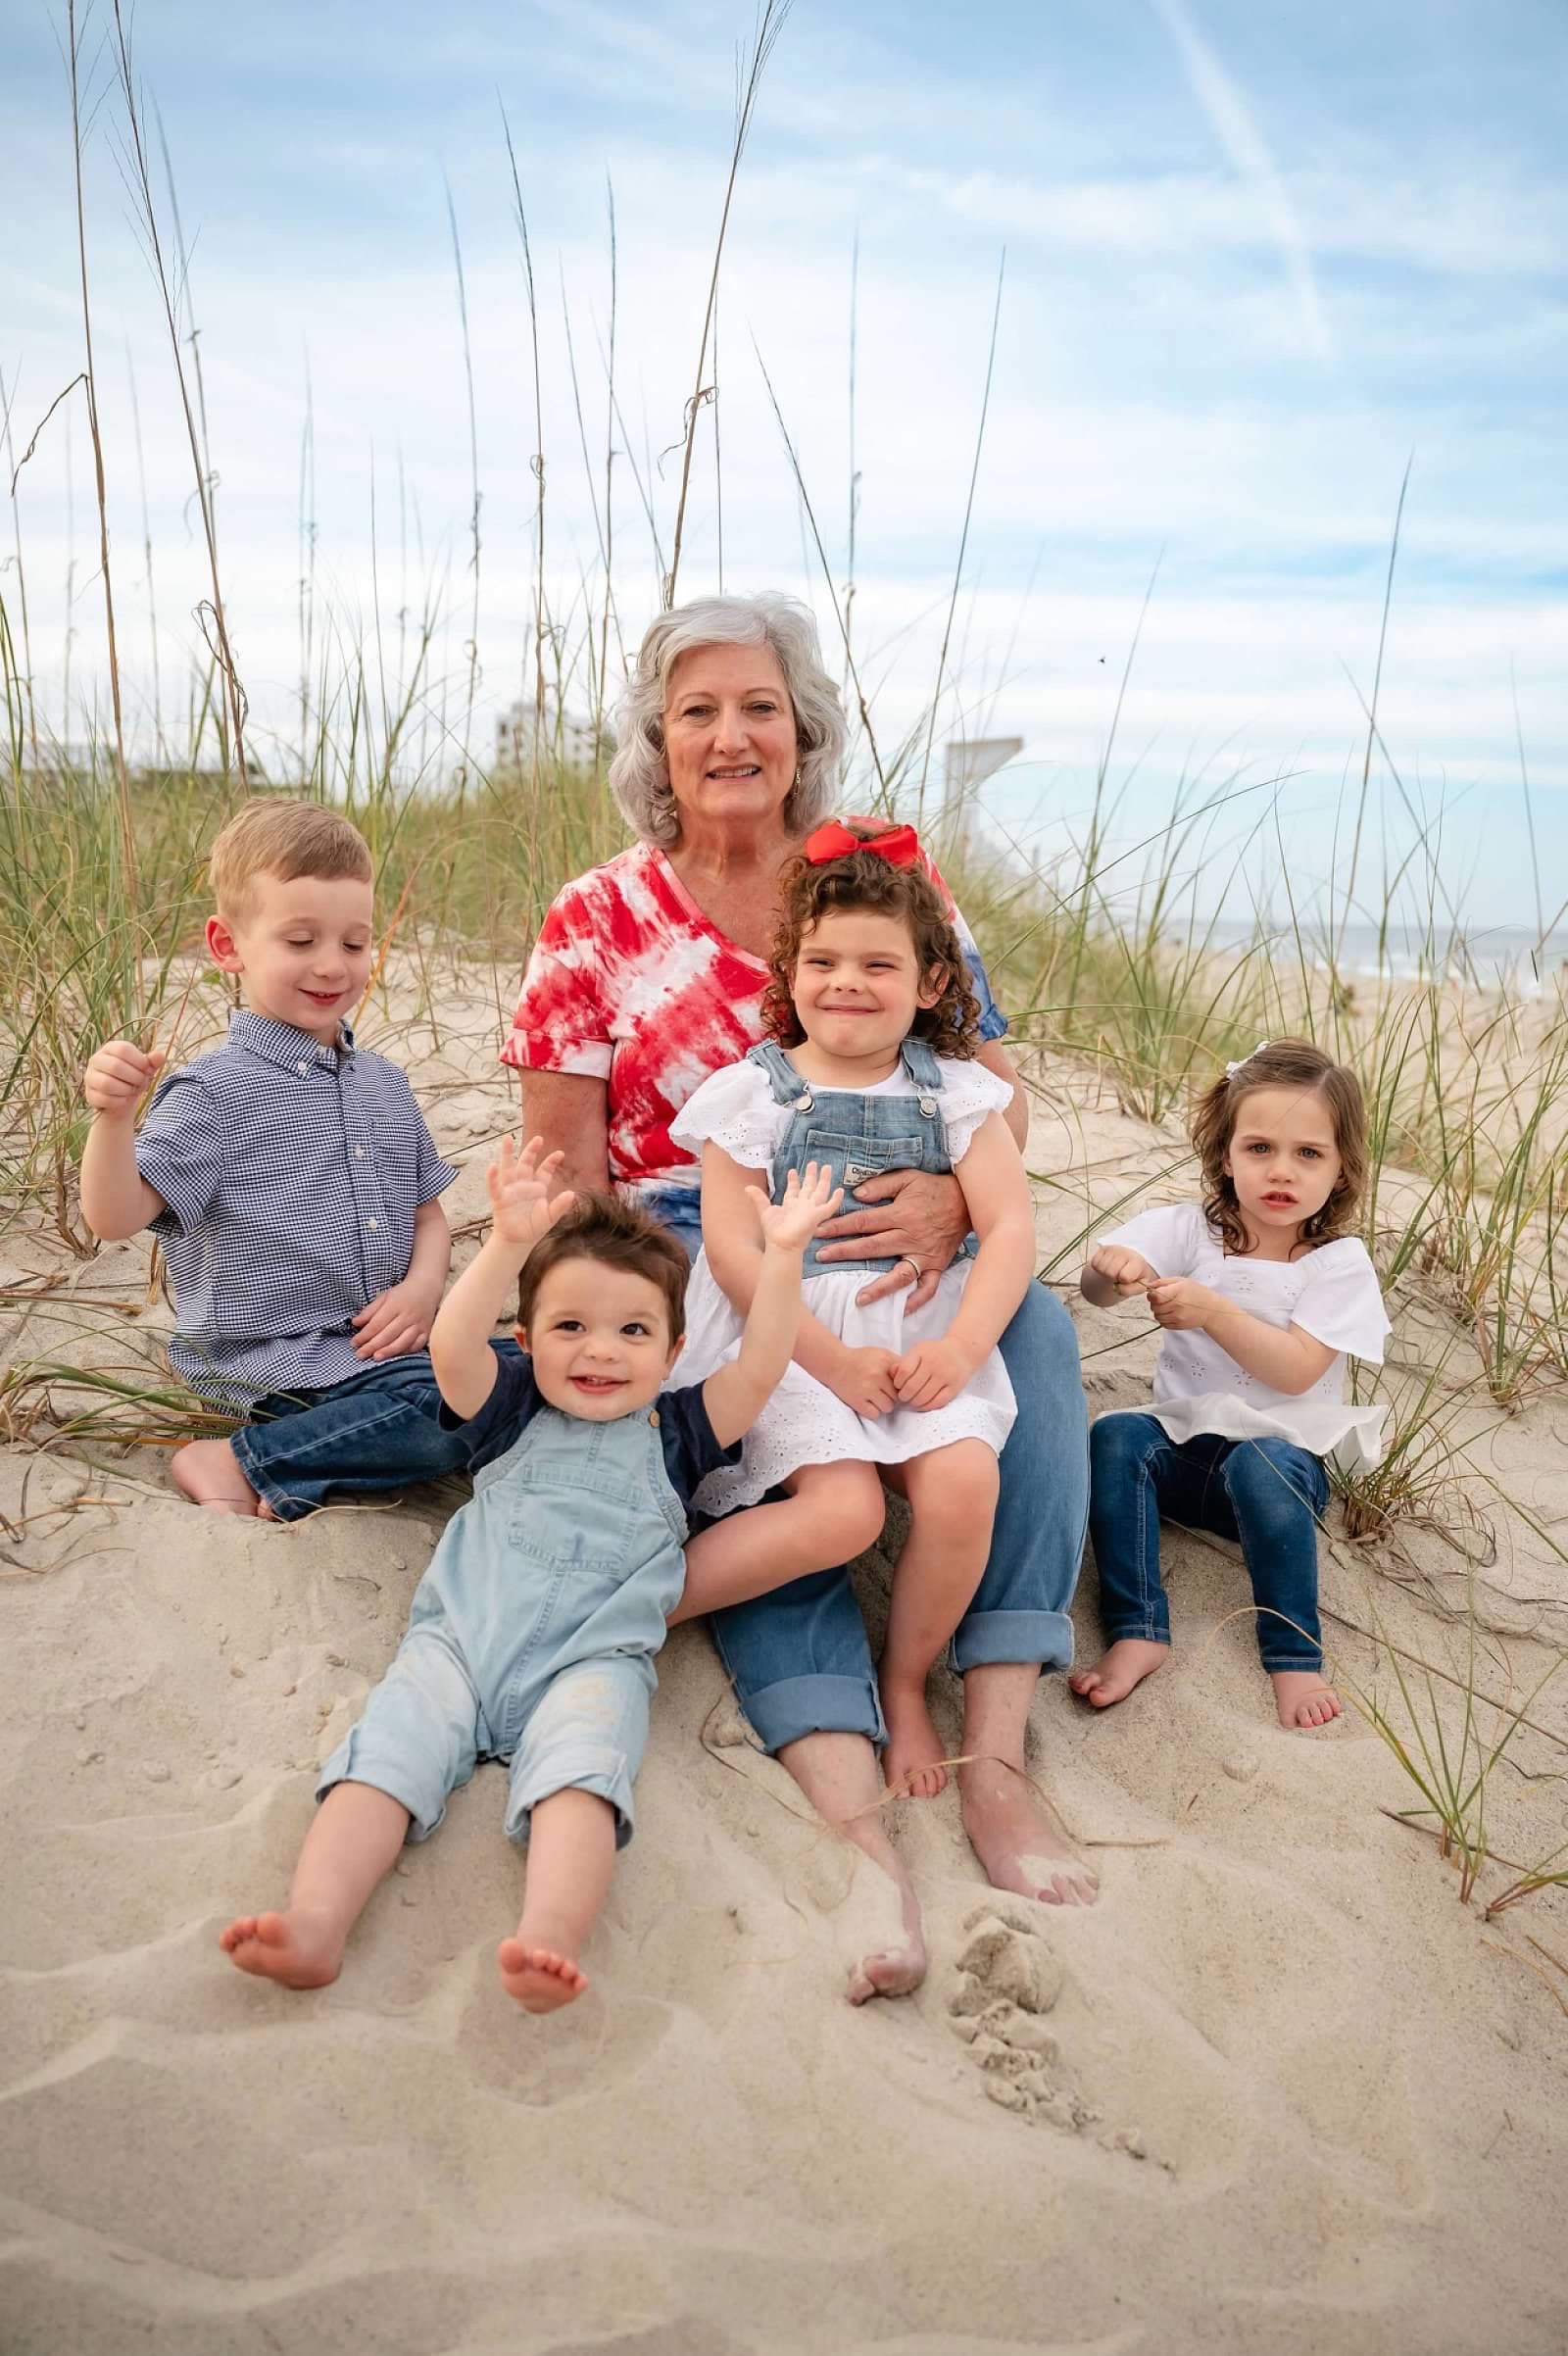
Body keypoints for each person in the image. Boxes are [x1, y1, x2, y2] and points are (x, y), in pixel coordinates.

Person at [507, 591, 1099, 2006]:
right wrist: (685, 1300)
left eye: (759, 707)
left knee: (1037, 1328)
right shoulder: (596, 914)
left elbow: (994, 1099)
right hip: (700, 1243)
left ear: (804, 728)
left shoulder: (884, 882)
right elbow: (569, 1175)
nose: (731, 736)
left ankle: (995, 1745)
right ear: (658, 737)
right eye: (697, 710)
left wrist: (952, 1201)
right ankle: (856, 1823)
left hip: (909, 1231)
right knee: (759, 1430)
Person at [220, 1143, 843, 2013]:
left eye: (633, 1332)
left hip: (590, 1666)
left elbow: (765, 1361)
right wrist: (509, 1244)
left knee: (581, 1783)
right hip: (457, 1649)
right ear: (526, 1342)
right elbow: (450, 1345)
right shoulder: (508, 1408)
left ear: (673, 1353)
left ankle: (551, 1934)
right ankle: (316, 1923)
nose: (601, 1352)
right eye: (570, 1327)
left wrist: (783, 1258)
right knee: (381, 1764)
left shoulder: (682, 1433)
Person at [668, 820, 1036, 1802]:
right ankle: (644, 1605)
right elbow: (733, 1254)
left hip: (919, 1334)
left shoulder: (959, 1096)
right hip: (789, 1342)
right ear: (789, 973)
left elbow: (1008, 1228)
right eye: (823, 961)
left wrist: (961, 1348)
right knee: (844, 1511)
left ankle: (905, 1682)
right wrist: (829, 1361)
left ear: (931, 982)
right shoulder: (750, 1093)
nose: (847, 982)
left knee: (963, 1485)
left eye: (879, 964)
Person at [79, 798, 507, 1521]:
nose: (331, 965)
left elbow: (426, 1212)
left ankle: (322, 1459)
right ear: (228, 945)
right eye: (301, 940)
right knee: (445, 1412)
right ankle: (240, 1459)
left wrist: (423, 1288)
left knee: (524, 1373)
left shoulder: (384, 1083)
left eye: (354, 943)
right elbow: (114, 1216)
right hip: (268, 1364)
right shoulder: (215, 1092)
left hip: (384, 1349)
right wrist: (113, 1119)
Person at [1071, 1037, 1389, 1730]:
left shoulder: (1338, 1263)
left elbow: (1296, 1370)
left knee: (1263, 1464)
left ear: (1341, 1168)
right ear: (1225, 1155)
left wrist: (1213, 1311)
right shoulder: (1190, 1231)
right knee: (1117, 1435)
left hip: (1279, 1470)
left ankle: (1293, 1654)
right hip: (1184, 1457)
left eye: (1309, 1153)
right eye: (1259, 1148)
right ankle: (1137, 1628)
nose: (1282, 1170)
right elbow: (1096, 1290)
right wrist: (1113, 1271)